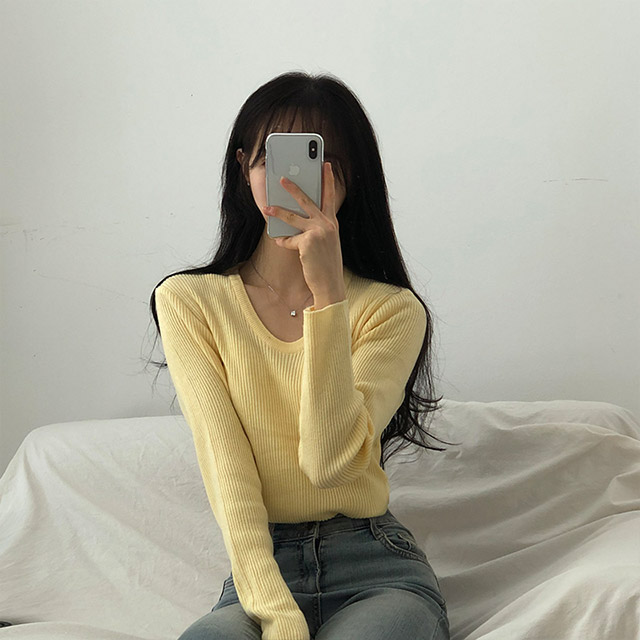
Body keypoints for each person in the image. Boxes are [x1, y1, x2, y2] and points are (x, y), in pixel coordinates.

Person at [149, 70, 451, 640]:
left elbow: (330, 464)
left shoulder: (391, 311)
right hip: (261, 570)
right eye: (273, 158)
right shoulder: (189, 302)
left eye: (319, 161)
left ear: (350, 177)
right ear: (245, 168)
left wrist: (328, 295)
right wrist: (279, 616)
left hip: (374, 565)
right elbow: (227, 467)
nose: (293, 180)